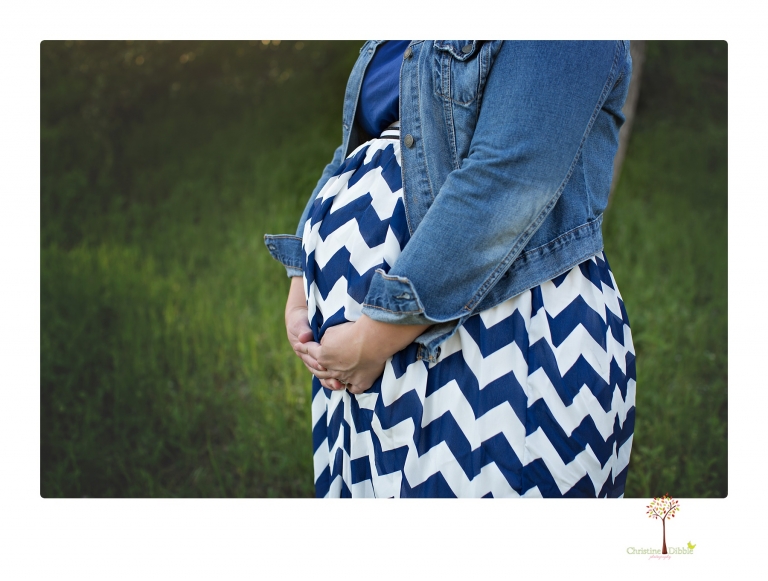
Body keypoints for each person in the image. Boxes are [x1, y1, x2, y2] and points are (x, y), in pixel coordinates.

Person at [265, 40, 636, 498]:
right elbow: (350, 153)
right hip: (365, 355)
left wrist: (372, 339)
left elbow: (509, 177)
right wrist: (302, 284)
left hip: (502, 332)